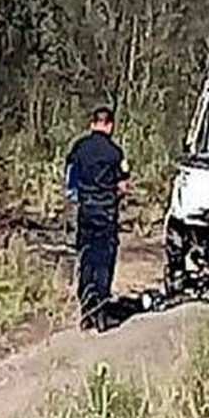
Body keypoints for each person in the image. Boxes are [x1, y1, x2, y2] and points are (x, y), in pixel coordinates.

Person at [64, 106, 131, 332]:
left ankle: (85, 309)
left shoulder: (79, 148)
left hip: (86, 211)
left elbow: (70, 182)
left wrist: (78, 196)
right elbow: (123, 187)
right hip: (106, 212)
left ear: (93, 124)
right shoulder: (115, 152)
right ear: (110, 125)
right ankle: (101, 311)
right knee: (104, 260)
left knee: (86, 258)